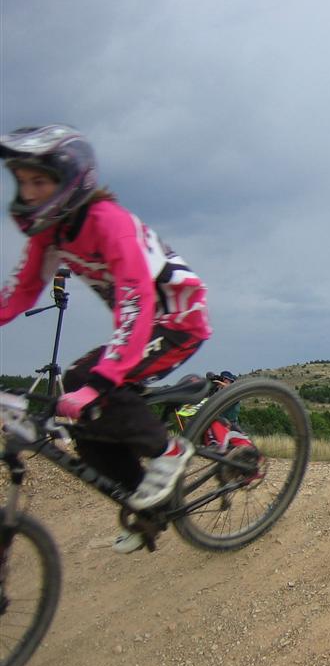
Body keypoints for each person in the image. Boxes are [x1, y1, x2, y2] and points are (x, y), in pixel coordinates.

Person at [0, 124, 212, 553]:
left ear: (70, 181)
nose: (29, 192)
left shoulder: (109, 224)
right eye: (23, 182)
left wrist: (101, 380)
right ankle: (146, 505)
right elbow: (21, 290)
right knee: (86, 431)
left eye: (39, 181)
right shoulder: (52, 234)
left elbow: (137, 303)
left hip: (176, 319)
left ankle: (168, 452)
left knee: (84, 383)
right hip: (139, 324)